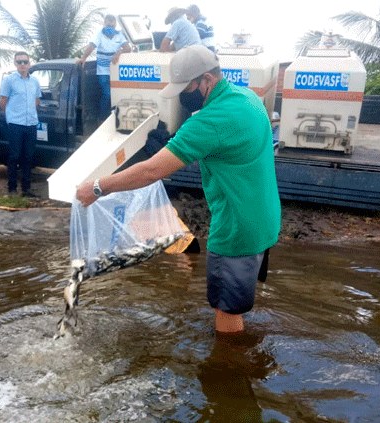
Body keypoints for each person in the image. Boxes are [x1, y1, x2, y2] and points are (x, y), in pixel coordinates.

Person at [76, 45, 281, 334]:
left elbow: (151, 170)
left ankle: (230, 373)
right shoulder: (247, 98)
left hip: (237, 229)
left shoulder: (209, 121)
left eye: (187, 88)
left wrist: (98, 187)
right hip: (264, 219)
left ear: (207, 81)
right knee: (237, 300)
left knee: (226, 313)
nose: (183, 96)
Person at [0, 51, 42, 197]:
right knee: (14, 156)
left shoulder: (35, 81)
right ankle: (12, 189)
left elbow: (37, 101)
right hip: (15, 124)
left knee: (28, 156)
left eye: (25, 62)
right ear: (15, 64)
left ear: (29, 63)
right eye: (19, 62)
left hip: (31, 123)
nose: (22, 64)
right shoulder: (9, 81)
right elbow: (3, 101)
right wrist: (11, 116)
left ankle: (26, 189)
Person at [78, 14, 131, 121]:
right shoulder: (99, 35)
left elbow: (128, 48)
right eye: (108, 24)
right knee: (107, 93)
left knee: (117, 94)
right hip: (103, 71)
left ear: (115, 24)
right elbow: (91, 47)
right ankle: (102, 118)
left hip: (115, 71)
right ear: (104, 23)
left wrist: (119, 52)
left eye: (112, 24)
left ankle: (114, 117)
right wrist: (83, 58)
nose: (110, 26)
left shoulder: (119, 35)